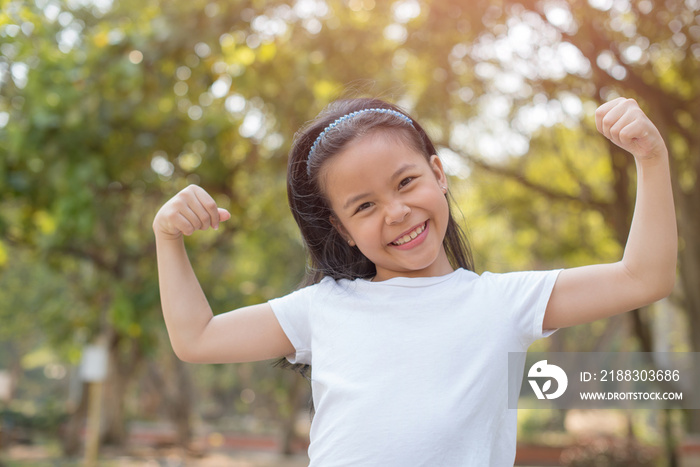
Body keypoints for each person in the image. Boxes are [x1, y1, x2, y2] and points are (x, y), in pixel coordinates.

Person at [153, 97, 677, 466]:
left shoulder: (502, 302)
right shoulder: (323, 308)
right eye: (365, 206)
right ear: (343, 230)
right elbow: (196, 338)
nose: (397, 212)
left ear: (439, 174)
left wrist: (651, 159)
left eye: (406, 182)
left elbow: (643, 277)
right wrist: (167, 237)